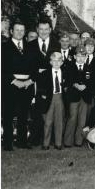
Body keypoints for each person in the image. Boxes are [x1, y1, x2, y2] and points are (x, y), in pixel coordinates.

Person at [2, 19, 37, 151]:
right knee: (8, 115)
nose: (19, 32)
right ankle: (8, 143)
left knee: (23, 115)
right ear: (11, 31)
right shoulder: (4, 47)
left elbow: (35, 67)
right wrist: (14, 81)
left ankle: (22, 141)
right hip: (10, 85)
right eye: (17, 30)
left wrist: (30, 81)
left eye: (22, 30)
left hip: (27, 86)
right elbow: (2, 68)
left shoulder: (31, 47)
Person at [28, 14, 61, 146]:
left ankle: (51, 138)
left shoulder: (56, 44)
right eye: (41, 29)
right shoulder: (30, 45)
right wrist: (37, 71)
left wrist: (45, 70)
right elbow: (29, 64)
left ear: (50, 30)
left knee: (49, 110)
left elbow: (56, 62)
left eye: (46, 29)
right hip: (35, 82)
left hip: (50, 82)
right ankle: (36, 138)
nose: (43, 32)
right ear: (37, 29)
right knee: (36, 110)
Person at [36, 52, 68, 150]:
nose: (56, 62)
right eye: (54, 60)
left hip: (60, 97)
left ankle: (58, 143)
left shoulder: (65, 73)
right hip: (49, 98)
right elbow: (40, 87)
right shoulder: (45, 73)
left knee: (59, 121)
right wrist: (44, 95)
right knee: (48, 121)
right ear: (50, 62)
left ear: (62, 62)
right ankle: (46, 143)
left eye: (59, 60)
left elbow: (68, 86)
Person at [63, 46, 93, 147]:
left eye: (83, 56)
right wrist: (75, 84)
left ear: (86, 57)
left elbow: (92, 82)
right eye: (79, 56)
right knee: (72, 118)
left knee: (82, 119)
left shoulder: (89, 67)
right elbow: (67, 80)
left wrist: (86, 85)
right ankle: (68, 141)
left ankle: (79, 141)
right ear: (75, 56)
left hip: (84, 97)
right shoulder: (70, 67)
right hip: (73, 97)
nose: (81, 58)